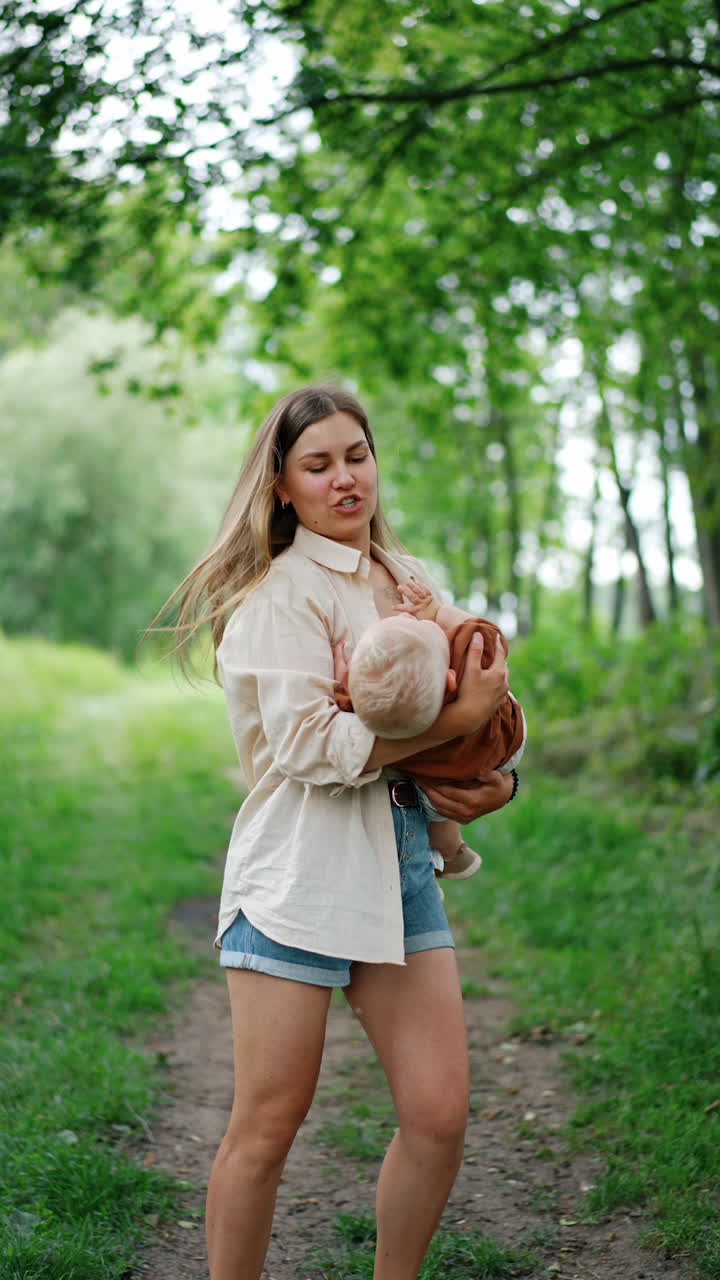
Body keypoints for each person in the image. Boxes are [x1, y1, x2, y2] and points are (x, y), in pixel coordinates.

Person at [155, 385, 516, 1280]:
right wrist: (446, 726)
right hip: (298, 877)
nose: (344, 478)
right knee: (267, 1129)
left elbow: (486, 698)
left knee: (438, 1115)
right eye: (317, 465)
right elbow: (314, 746)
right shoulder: (279, 597)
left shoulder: (411, 580)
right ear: (282, 486)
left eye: (357, 455)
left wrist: (495, 773)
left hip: (399, 862)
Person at [334, 578, 526, 881]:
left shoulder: (377, 711)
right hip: (499, 745)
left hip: (436, 785)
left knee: (431, 798)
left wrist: (347, 684)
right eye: (421, 628)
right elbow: (490, 637)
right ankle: (449, 850)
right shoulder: (459, 668)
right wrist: (437, 612)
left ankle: (447, 847)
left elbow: (346, 705)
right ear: (451, 679)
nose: (409, 617)